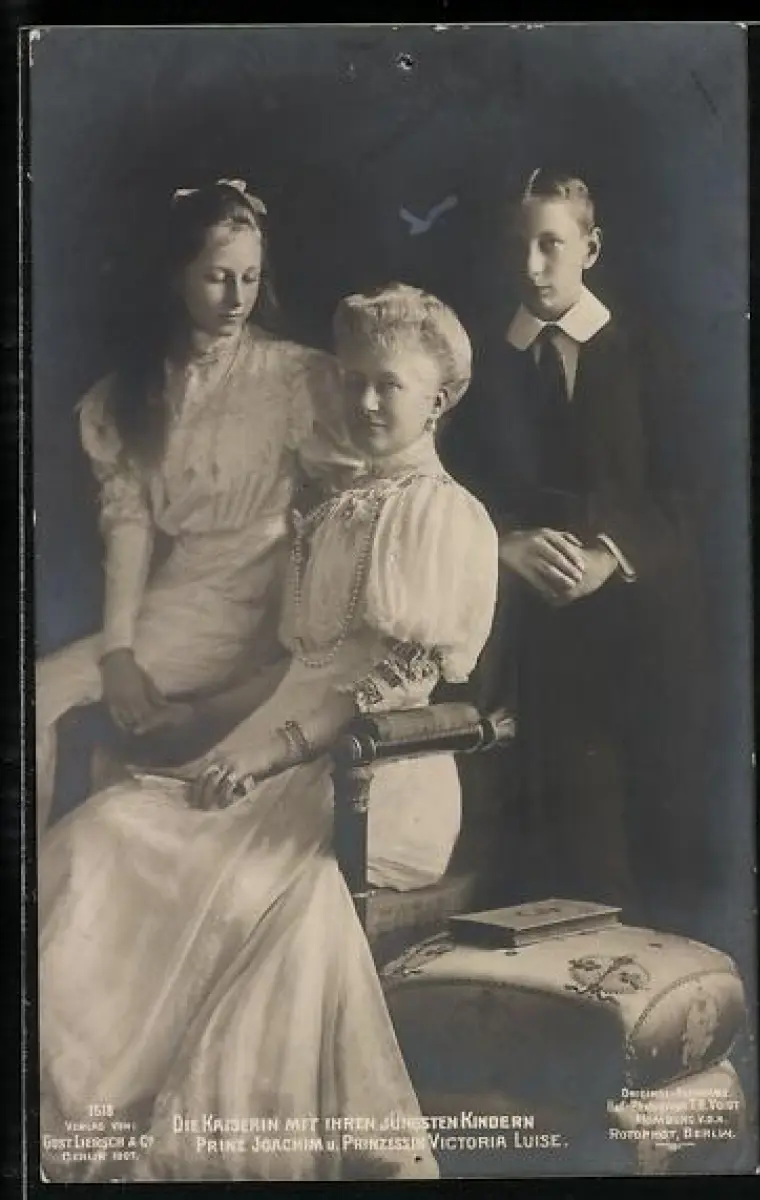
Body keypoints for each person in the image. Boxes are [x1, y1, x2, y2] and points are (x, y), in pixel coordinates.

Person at [38, 283, 499, 1182]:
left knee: (218, 879)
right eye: (354, 381)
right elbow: (294, 669)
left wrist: (258, 755)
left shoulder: (441, 515)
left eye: (390, 386)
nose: (366, 401)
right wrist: (199, 722)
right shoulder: (336, 506)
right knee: (105, 830)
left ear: (437, 398)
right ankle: (76, 1099)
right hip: (278, 762)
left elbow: (377, 686)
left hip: (376, 782)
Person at [36, 179, 353, 833]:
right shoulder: (131, 392)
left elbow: (361, 495)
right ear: (177, 275)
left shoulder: (293, 378)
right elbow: (128, 526)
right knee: (39, 693)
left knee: (43, 694)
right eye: (217, 277)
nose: (236, 298)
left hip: (255, 607)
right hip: (176, 600)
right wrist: (118, 651)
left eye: (249, 278)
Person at [441, 168, 707, 933]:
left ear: (589, 248)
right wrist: (504, 543)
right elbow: (448, 488)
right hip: (533, 641)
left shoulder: (649, 352)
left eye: (550, 245)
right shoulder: (480, 365)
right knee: (560, 849)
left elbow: (692, 492)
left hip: (643, 632)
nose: (532, 266)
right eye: (517, 247)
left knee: (652, 844)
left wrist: (608, 556)